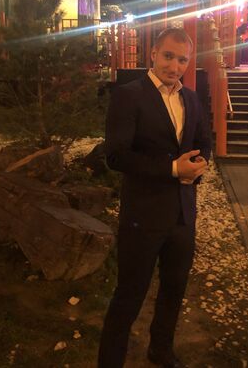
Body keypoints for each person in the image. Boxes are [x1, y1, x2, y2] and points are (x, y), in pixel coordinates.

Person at [98, 28, 212, 368]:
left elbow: (203, 142)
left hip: (182, 215)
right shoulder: (129, 95)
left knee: (174, 289)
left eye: (182, 60)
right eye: (168, 56)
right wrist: (173, 169)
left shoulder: (191, 98)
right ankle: (110, 361)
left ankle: (160, 350)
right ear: (153, 53)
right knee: (129, 296)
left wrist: (198, 167)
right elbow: (116, 155)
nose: (174, 66)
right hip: (143, 216)